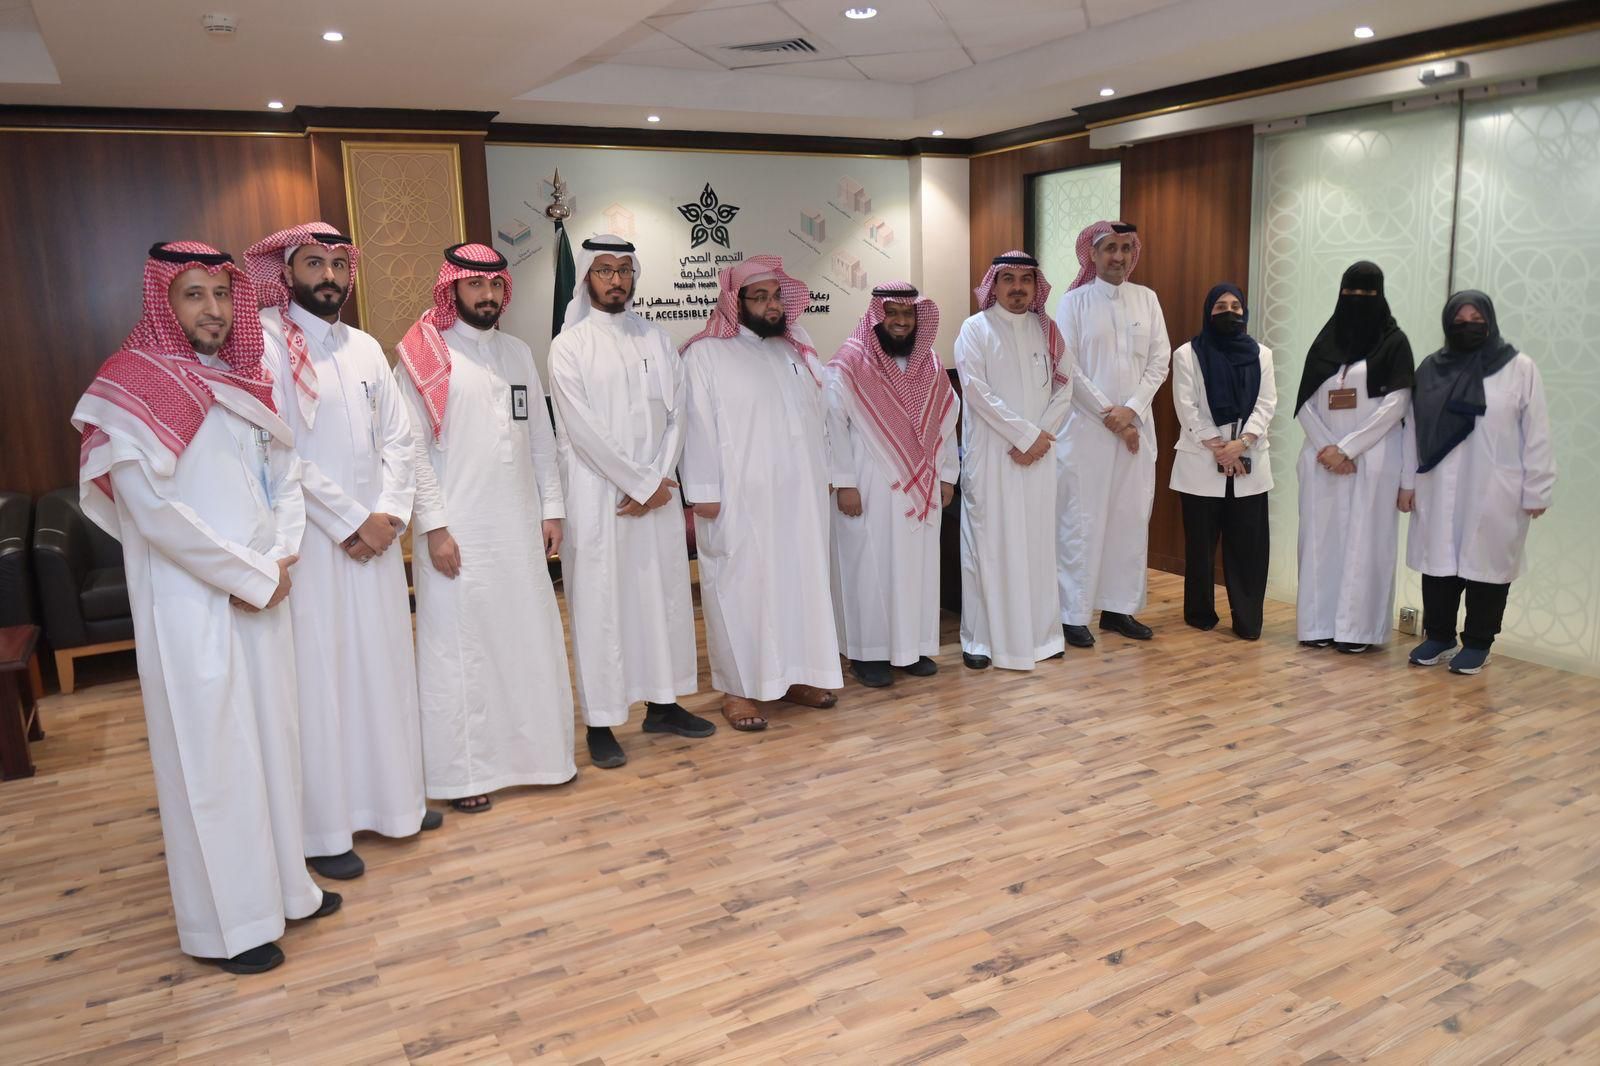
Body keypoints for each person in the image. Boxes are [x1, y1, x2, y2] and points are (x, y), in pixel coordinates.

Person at [72, 241, 337, 974]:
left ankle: (289, 891)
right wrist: (249, 575)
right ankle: (229, 927)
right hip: (191, 608)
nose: (213, 310)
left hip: (264, 591)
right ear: (164, 301)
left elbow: (284, 476)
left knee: (275, 747)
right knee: (213, 761)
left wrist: (281, 555)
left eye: (222, 294)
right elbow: (151, 512)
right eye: (194, 295)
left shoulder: (244, 379)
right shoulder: (130, 387)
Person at [245, 223, 439, 881]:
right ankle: (326, 830)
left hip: (375, 543)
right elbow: (279, 451)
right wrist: (353, 521)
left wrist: (389, 516)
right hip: (313, 544)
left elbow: (402, 441)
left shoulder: (364, 348)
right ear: (286, 272)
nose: (328, 276)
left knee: (383, 670)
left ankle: (396, 803)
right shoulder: (266, 347)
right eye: (314, 263)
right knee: (322, 682)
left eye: (337, 264)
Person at [395, 243, 575, 811]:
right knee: (460, 652)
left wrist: (551, 509)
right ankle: (464, 776)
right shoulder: (424, 355)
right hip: (457, 534)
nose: (487, 294)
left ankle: (540, 758)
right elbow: (411, 451)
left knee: (527, 639)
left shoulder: (518, 353)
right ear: (452, 289)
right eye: (475, 285)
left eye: (495, 285)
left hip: (518, 529)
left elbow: (541, 440)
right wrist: (434, 527)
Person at [547, 235, 712, 769]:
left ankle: (662, 705)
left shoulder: (658, 340)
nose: (616, 279)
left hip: (655, 499)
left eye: (624, 270)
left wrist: (657, 480)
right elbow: (582, 430)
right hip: (600, 500)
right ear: (587, 277)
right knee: (601, 606)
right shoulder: (569, 346)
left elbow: (678, 416)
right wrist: (640, 484)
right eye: (604, 270)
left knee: (661, 599)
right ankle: (600, 722)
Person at [680, 256, 842, 731]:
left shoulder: (795, 349)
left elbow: (820, 415)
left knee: (799, 584)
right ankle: (738, 689)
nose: (772, 306)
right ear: (736, 301)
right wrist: (703, 491)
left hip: (800, 498)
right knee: (740, 590)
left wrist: (826, 472)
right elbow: (696, 428)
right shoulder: (705, 354)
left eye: (776, 296)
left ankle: (794, 676)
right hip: (739, 501)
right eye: (760, 297)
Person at [1398, 291, 1555, 674]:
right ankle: (1439, 636)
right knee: (1439, 564)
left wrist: (1537, 488)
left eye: (1476, 320)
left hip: (1496, 487)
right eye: (1459, 321)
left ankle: (1479, 643)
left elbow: (1536, 432)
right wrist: (1407, 483)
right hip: (1437, 481)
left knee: (1487, 566)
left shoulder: (1519, 368)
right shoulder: (1430, 369)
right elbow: (1412, 429)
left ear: (1490, 321)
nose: (1467, 326)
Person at [827, 282, 957, 687]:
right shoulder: (851, 362)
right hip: (868, 483)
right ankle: (868, 654)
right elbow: (832, 425)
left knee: (916, 568)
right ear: (875, 316)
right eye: (893, 313)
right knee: (869, 568)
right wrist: (844, 483)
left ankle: (910, 648)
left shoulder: (930, 363)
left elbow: (947, 421)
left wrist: (948, 475)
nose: (901, 322)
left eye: (908, 314)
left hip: (923, 482)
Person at [1054, 221, 1171, 647]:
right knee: (1082, 522)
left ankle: (1119, 610)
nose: (1118, 257)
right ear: (1092, 254)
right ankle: (1073, 614)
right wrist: (1113, 417)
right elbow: (1069, 368)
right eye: (1109, 249)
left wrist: (1132, 411)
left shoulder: (1147, 299)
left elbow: (1159, 361)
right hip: (1088, 432)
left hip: (1136, 431)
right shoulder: (1073, 302)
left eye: (1125, 249)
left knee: (1130, 520)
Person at [955, 252, 1073, 671]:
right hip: (993, 458)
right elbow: (977, 392)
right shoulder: (975, 328)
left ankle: (1042, 637)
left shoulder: (1048, 330)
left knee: (1037, 543)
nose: (1018, 287)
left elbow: (1065, 386)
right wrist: (1025, 436)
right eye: (1008, 279)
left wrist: (1040, 437)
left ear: (1036, 286)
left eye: (1026, 279)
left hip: (1039, 455)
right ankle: (980, 640)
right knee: (988, 546)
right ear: (994, 284)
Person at [1294, 261, 1415, 653]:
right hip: (1322, 461)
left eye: (1366, 294)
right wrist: (1328, 449)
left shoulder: (1394, 343)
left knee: (1366, 545)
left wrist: (1347, 449)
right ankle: (1317, 624)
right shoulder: (1325, 343)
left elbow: (1397, 404)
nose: (1357, 301)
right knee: (1320, 542)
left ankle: (1357, 631)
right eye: (1350, 293)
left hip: (1372, 461)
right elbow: (1304, 403)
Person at [1169, 283, 1277, 640]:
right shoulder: (1187, 354)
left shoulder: (1262, 354)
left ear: (1244, 311)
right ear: (1208, 312)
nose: (1229, 313)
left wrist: (1241, 444)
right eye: (1220, 307)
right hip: (1202, 460)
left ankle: (1247, 620)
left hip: (1248, 459)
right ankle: (1200, 613)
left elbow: (1266, 403)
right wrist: (1220, 448)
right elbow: (1187, 407)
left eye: (1235, 306)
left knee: (1249, 548)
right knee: (1200, 547)